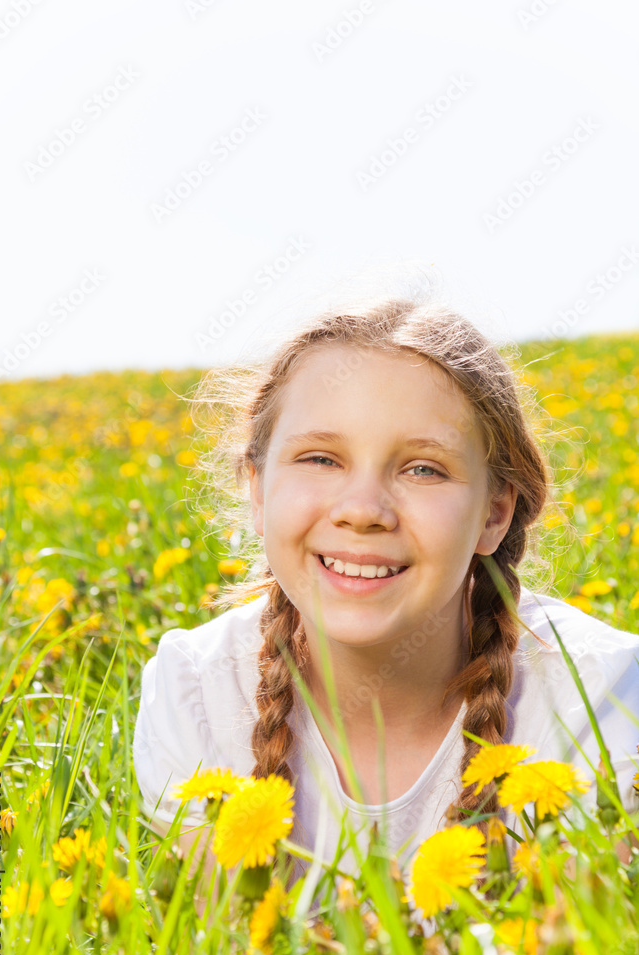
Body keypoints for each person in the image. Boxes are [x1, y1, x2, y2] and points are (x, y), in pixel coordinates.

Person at [132, 296, 639, 899]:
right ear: (258, 489)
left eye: (423, 469)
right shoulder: (198, 694)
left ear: (494, 514)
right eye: (320, 458)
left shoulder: (602, 698)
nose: (363, 511)